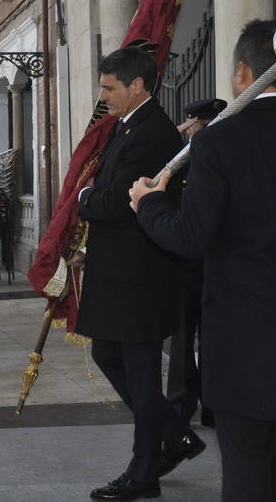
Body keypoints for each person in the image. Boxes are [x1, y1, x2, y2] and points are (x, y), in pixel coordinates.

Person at [129, 19, 276, 502]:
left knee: (249, 478)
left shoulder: (218, 142)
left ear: (243, 72)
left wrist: (149, 205)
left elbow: (190, 237)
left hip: (246, 348)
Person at [76, 47, 204, 500]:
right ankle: (176, 435)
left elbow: (115, 201)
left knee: (140, 373)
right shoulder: (129, 125)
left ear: (136, 86)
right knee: (108, 355)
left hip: (139, 278)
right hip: (121, 274)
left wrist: (83, 198)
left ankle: (144, 473)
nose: (103, 96)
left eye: (109, 88)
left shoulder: (150, 133)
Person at [166, 98, 226, 429]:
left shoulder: (223, 157)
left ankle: (214, 404)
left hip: (218, 263)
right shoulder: (178, 162)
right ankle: (180, 406)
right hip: (185, 264)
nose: (197, 133)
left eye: (202, 127)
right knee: (183, 338)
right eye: (197, 127)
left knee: (215, 337)